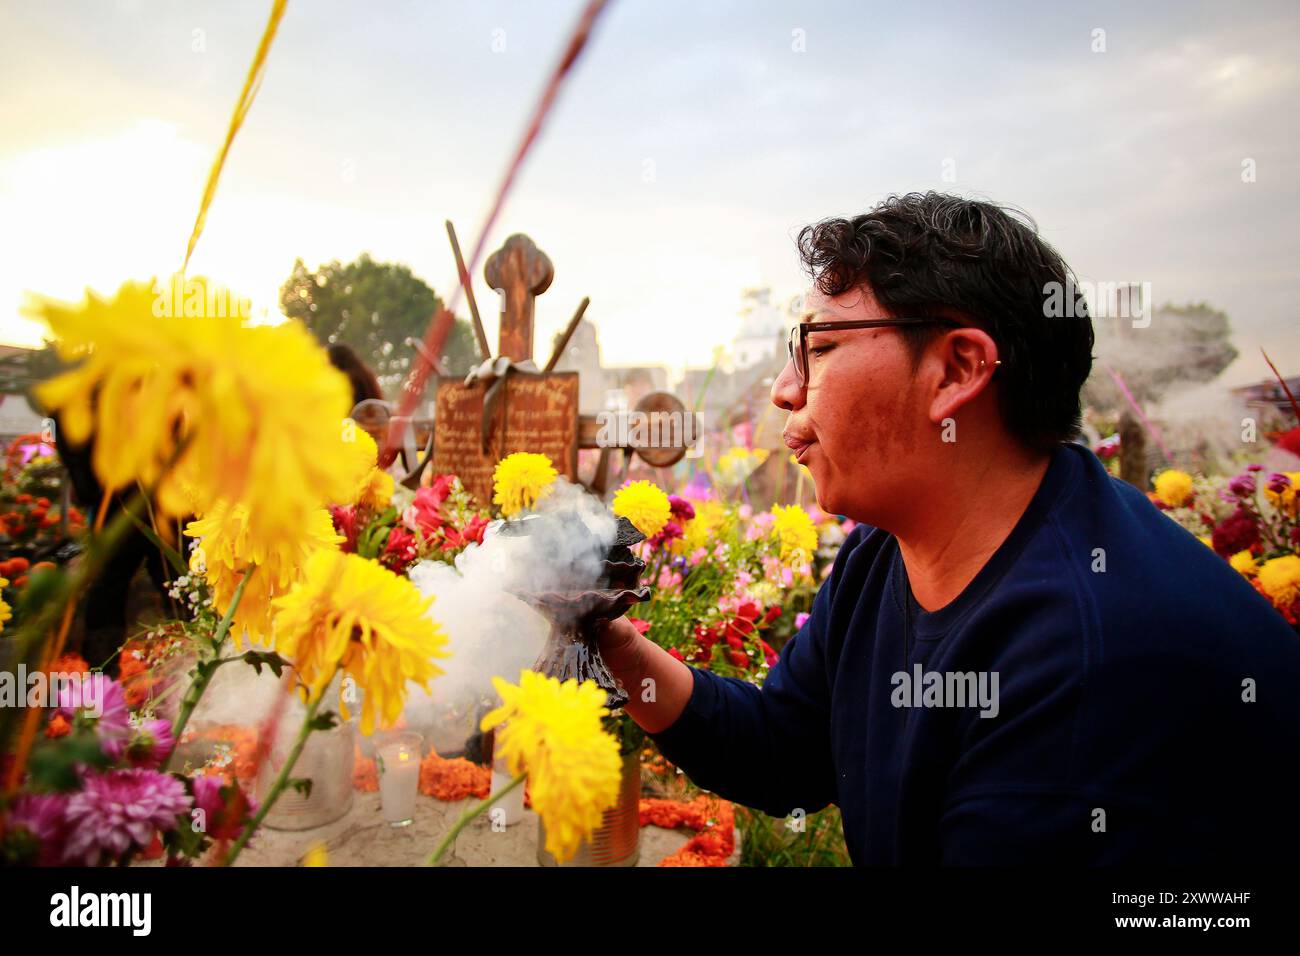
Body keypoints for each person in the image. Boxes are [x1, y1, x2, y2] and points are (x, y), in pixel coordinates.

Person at [597, 192, 1300, 864]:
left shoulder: (1089, 664)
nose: (783, 388)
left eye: (820, 347)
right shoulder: (887, 550)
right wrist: (615, 649)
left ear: (957, 369)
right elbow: (787, 749)